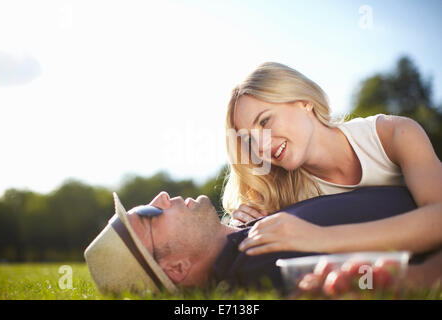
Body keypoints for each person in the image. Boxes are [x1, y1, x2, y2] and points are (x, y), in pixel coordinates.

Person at [223, 62, 442, 256]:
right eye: (250, 141)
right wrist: (240, 227)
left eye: (264, 121)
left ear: (304, 101)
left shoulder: (394, 134)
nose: (261, 147)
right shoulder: (280, 192)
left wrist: (321, 237)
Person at [84, 186, 440, 296]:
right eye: (148, 214)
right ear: (176, 268)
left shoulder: (248, 237)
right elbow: (406, 278)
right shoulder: (263, 268)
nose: (160, 197)